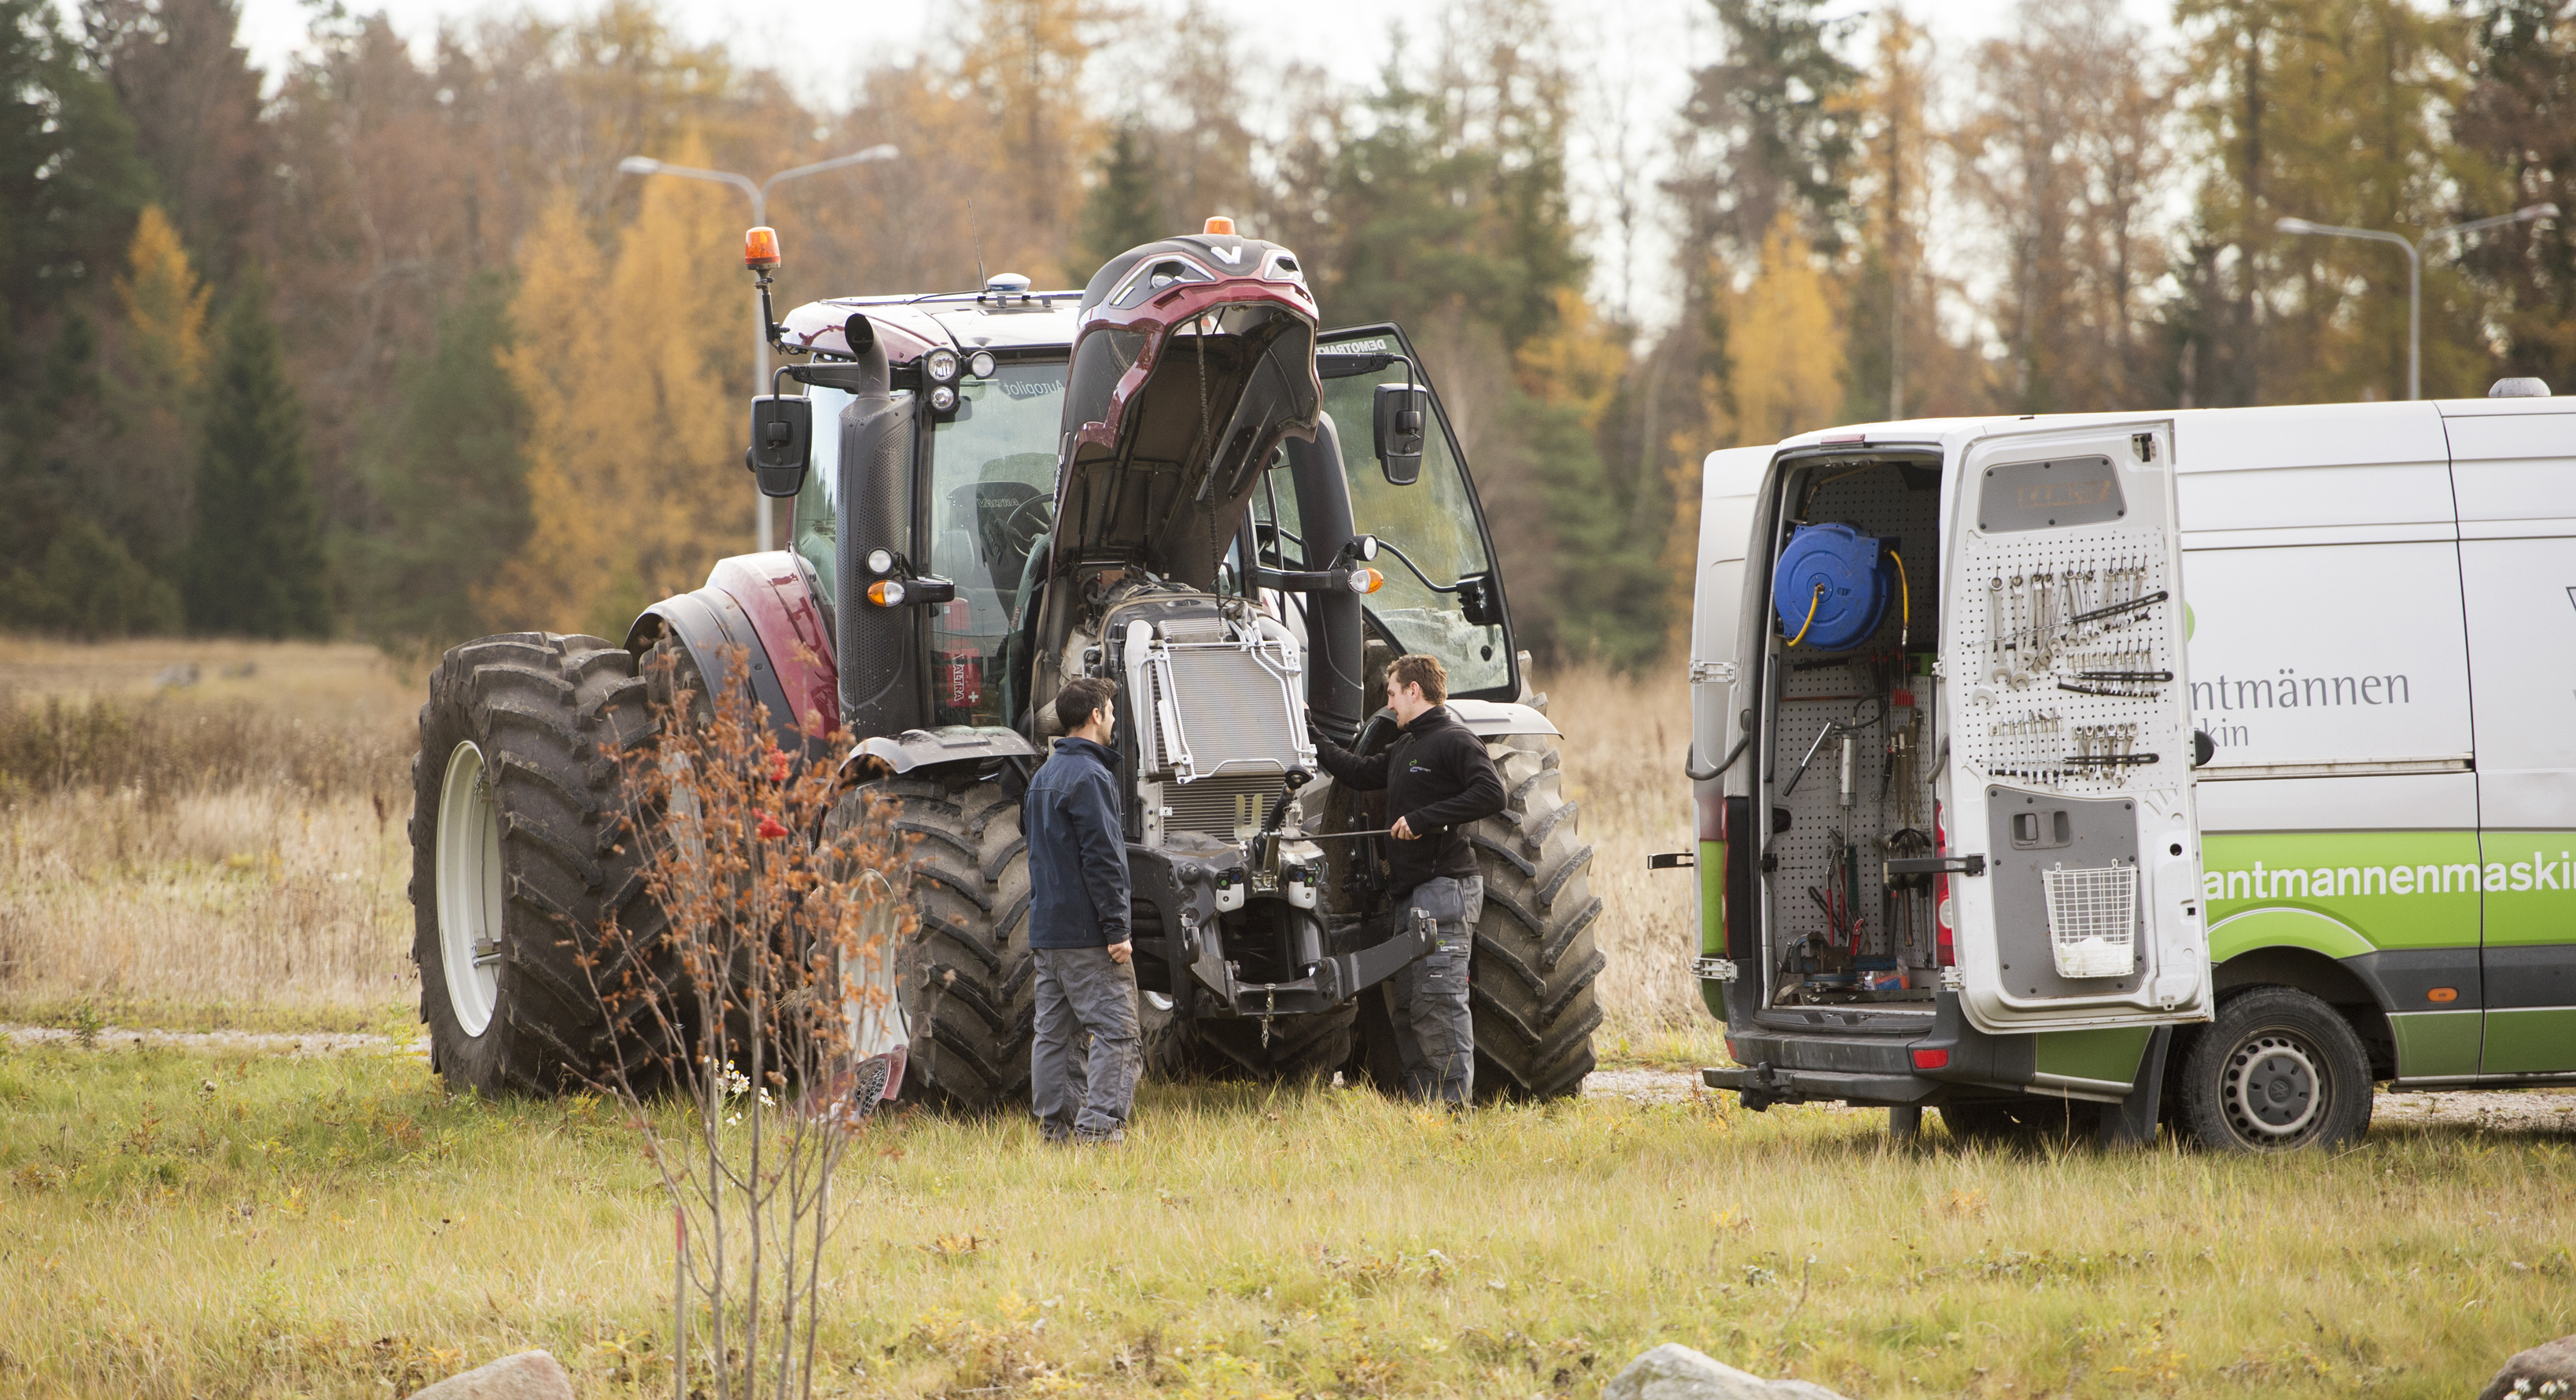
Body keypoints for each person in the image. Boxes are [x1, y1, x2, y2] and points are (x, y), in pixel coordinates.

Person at [1312, 654, 1504, 1104]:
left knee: (1439, 1002)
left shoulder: (1455, 740)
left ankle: (1451, 1112)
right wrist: (1310, 731)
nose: (1390, 703)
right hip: (1410, 896)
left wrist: (1424, 818)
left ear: (1414, 691)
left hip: (1444, 890)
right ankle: (1423, 1108)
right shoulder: (1404, 748)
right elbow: (1356, 771)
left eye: (1393, 693)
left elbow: (1492, 793)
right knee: (1411, 1006)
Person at [1023, 676, 1141, 1144]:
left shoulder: (1042, 777)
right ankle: (1099, 1133)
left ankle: (1055, 1132)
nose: (1112, 718)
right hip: (1088, 936)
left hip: (1047, 934)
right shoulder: (1092, 776)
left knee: (1053, 1035)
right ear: (1096, 715)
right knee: (1117, 1031)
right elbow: (1104, 859)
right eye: (1109, 710)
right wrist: (1117, 929)